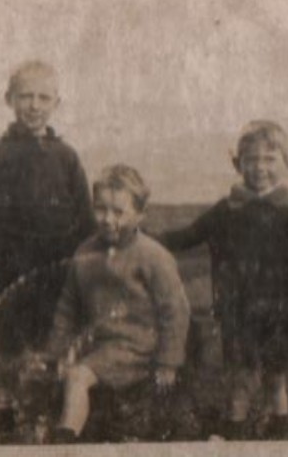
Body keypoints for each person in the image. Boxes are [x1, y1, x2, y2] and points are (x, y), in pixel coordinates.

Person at [160, 120, 288, 439]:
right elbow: (188, 236)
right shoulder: (226, 210)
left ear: (287, 164)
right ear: (238, 164)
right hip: (237, 313)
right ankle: (234, 432)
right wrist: (147, 238)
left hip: (282, 313)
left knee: (275, 377)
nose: (259, 168)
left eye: (269, 159)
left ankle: (280, 431)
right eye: (251, 159)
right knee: (240, 377)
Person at [0, 60, 95, 433]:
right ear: (9, 99)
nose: (34, 105)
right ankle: (3, 407)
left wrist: (87, 264)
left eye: (43, 97)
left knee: (55, 342)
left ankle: (46, 414)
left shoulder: (66, 158)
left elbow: (85, 219)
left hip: (58, 269)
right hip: (8, 269)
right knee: (11, 343)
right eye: (26, 96)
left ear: (57, 103)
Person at [46, 164, 191, 443]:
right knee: (57, 375)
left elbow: (174, 311)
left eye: (119, 212)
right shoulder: (86, 252)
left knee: (77, 377)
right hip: (100, 345)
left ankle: (64, 442)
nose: (107, 219)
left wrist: (168, 363)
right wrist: (58, 352)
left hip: (138, 348)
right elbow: (68, 306)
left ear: (139, 215)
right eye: (100, 209)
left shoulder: (152, 256)